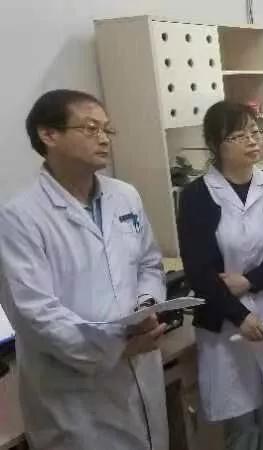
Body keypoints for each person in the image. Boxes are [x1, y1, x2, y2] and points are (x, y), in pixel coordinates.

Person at [0, 89, 168, 449]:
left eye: (108, 129)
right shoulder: (19, 218)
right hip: (74, 395)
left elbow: (149, 264)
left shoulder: (125, 196)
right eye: (91, 128)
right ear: (49, 135)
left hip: (139, 370)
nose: (104, 139)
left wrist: (146, 306)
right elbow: (35, 314)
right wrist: (116, 348)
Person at [177, 101, 263, 450]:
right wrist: (240, 316)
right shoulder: (196, 197)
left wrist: (250, 281)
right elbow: (199, 271)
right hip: (225, 323)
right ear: (215, 144)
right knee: (242, 428)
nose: (252, 140)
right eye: (239, 135)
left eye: (255, 132)